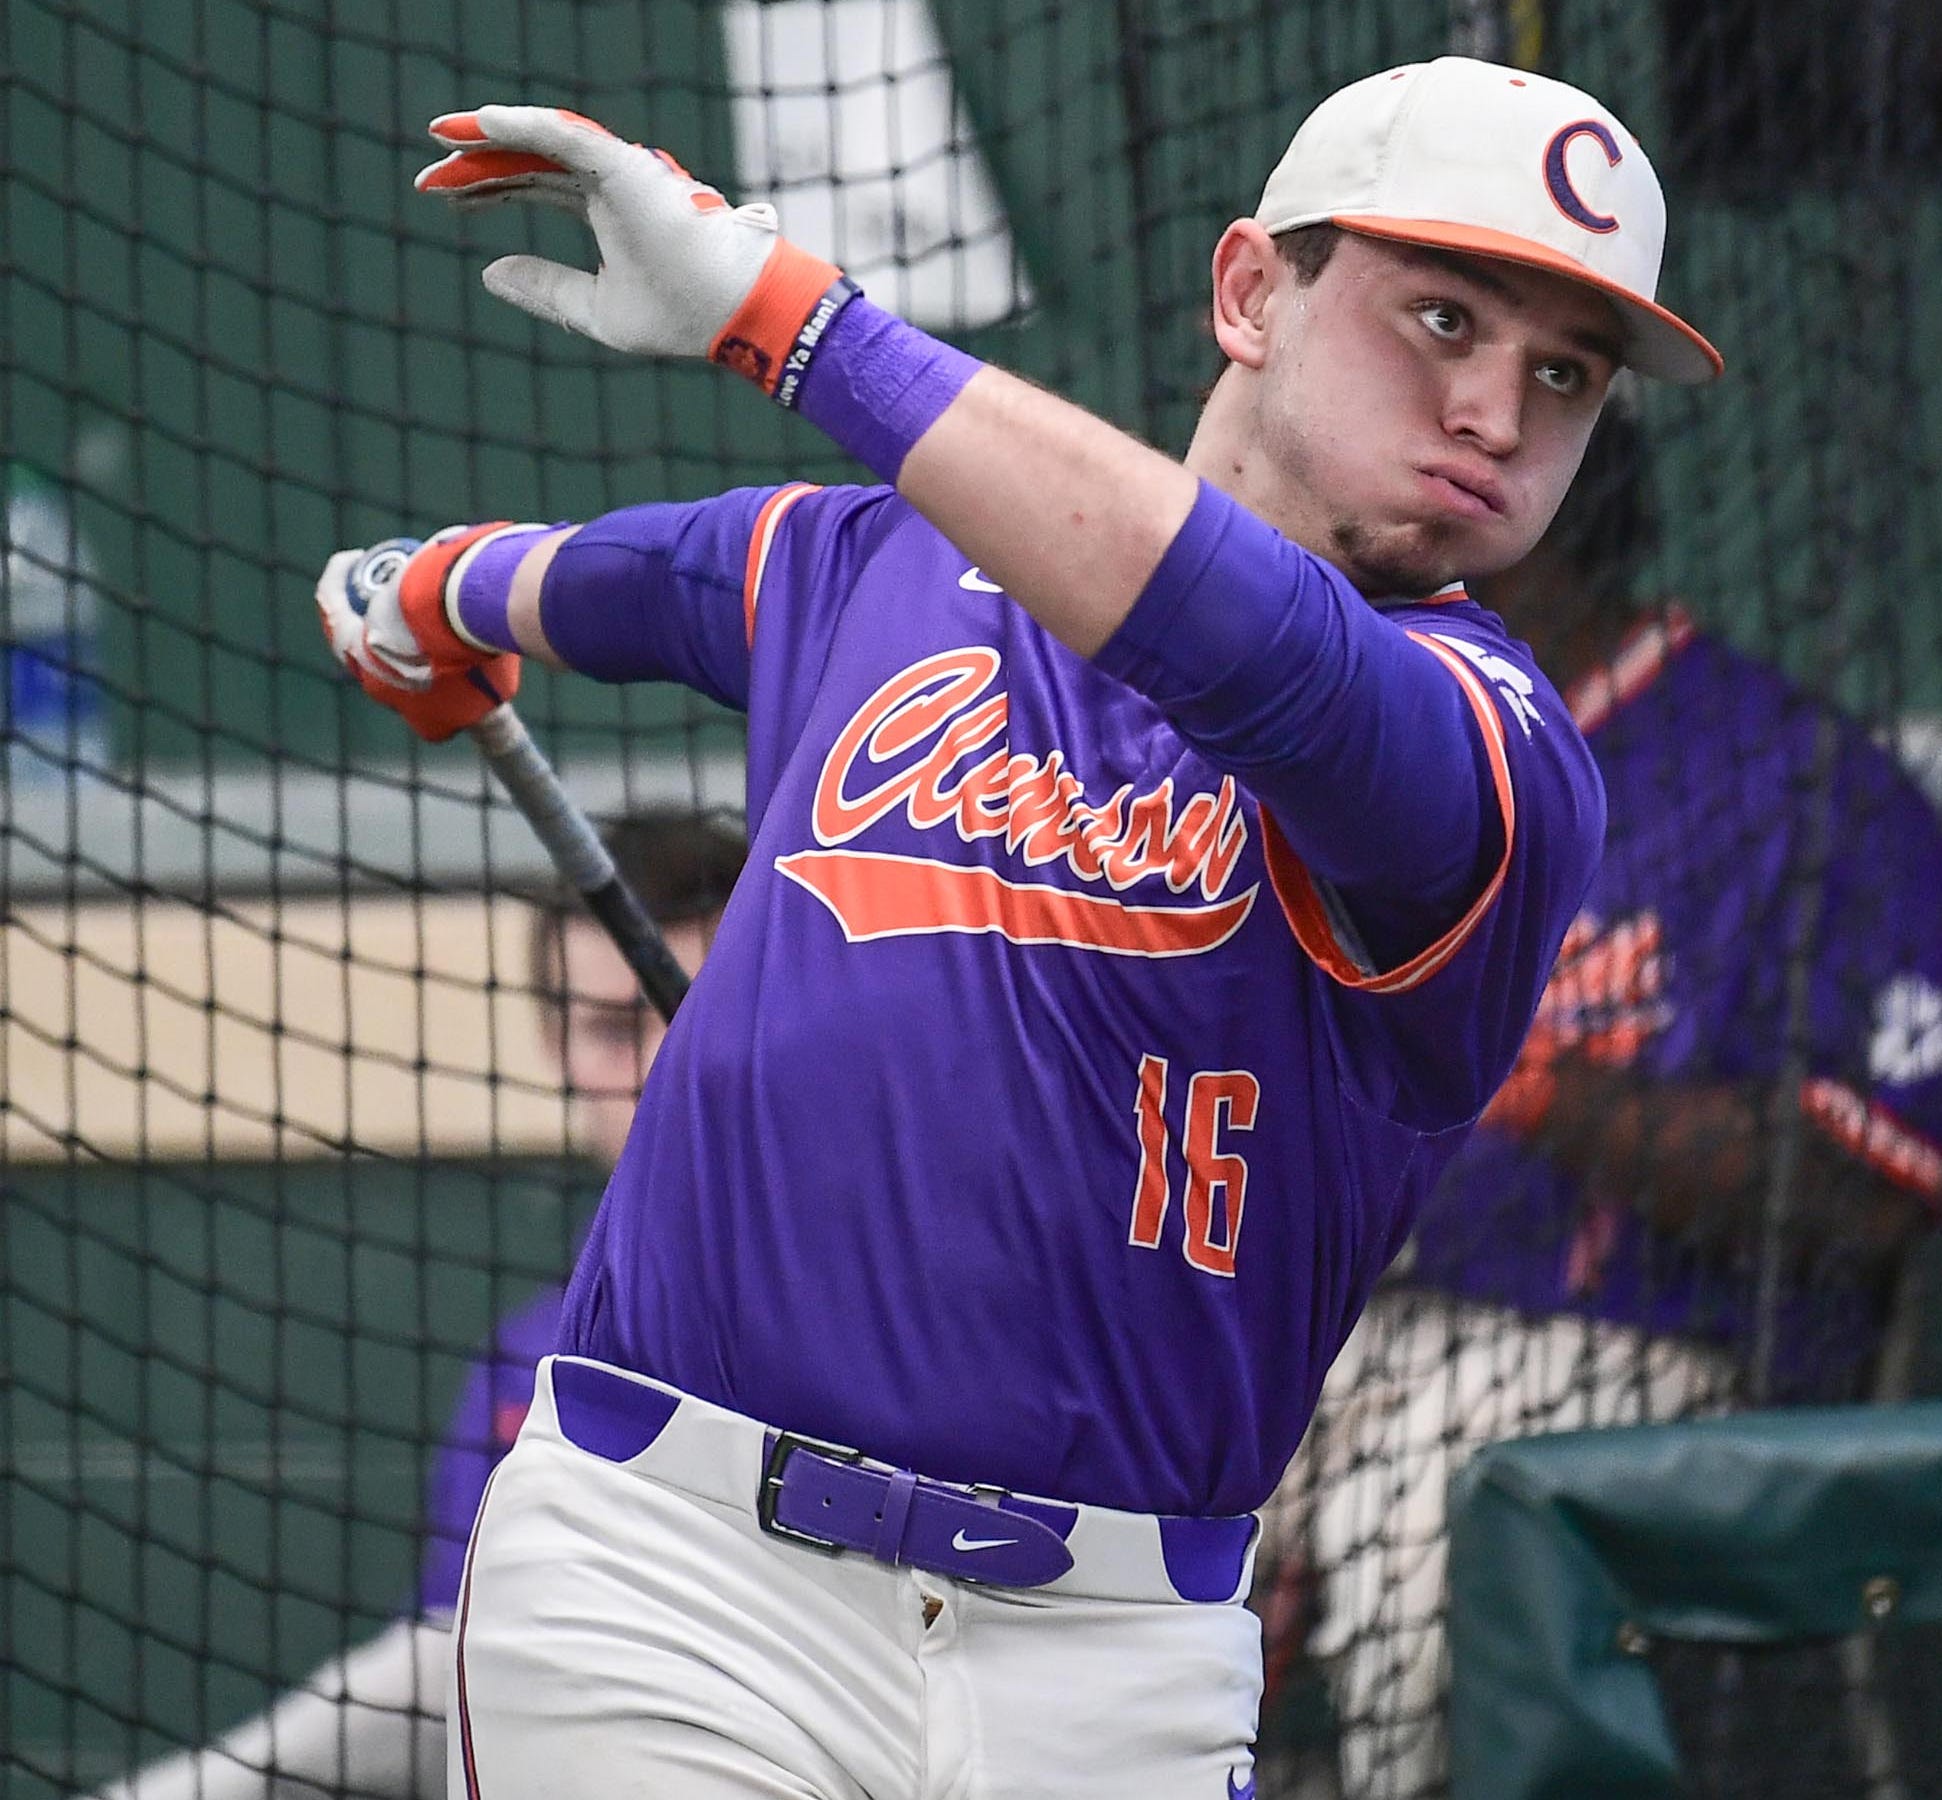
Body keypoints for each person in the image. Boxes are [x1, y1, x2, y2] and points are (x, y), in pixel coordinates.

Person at [312, 57, 1722, 1799]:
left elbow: (1245, 643)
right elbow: (632, 578)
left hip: (1112, 1659)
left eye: (1561, 375)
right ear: (1247, 294)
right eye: (1438, 316)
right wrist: (433, 594)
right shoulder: (872, 567)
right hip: (675, 1577)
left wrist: (791, 320)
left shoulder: (1488, 758)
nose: (1495, 413)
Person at [1268, 400, 1942, 1799]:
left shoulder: (1798, 783)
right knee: (1072, 1467)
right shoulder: (1345, 747)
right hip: (1338, 1329)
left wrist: (1522, 1077)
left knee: (1430, 1549)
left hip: (1647, 1362)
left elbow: (1862, 1195)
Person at [90, 812, 747, 1800]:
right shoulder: (532, 1369)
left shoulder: (919, 1295)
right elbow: (447, 1673)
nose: (654, 1066)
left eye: (686, 1013)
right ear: (551, 1042)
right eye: (611, 1029)